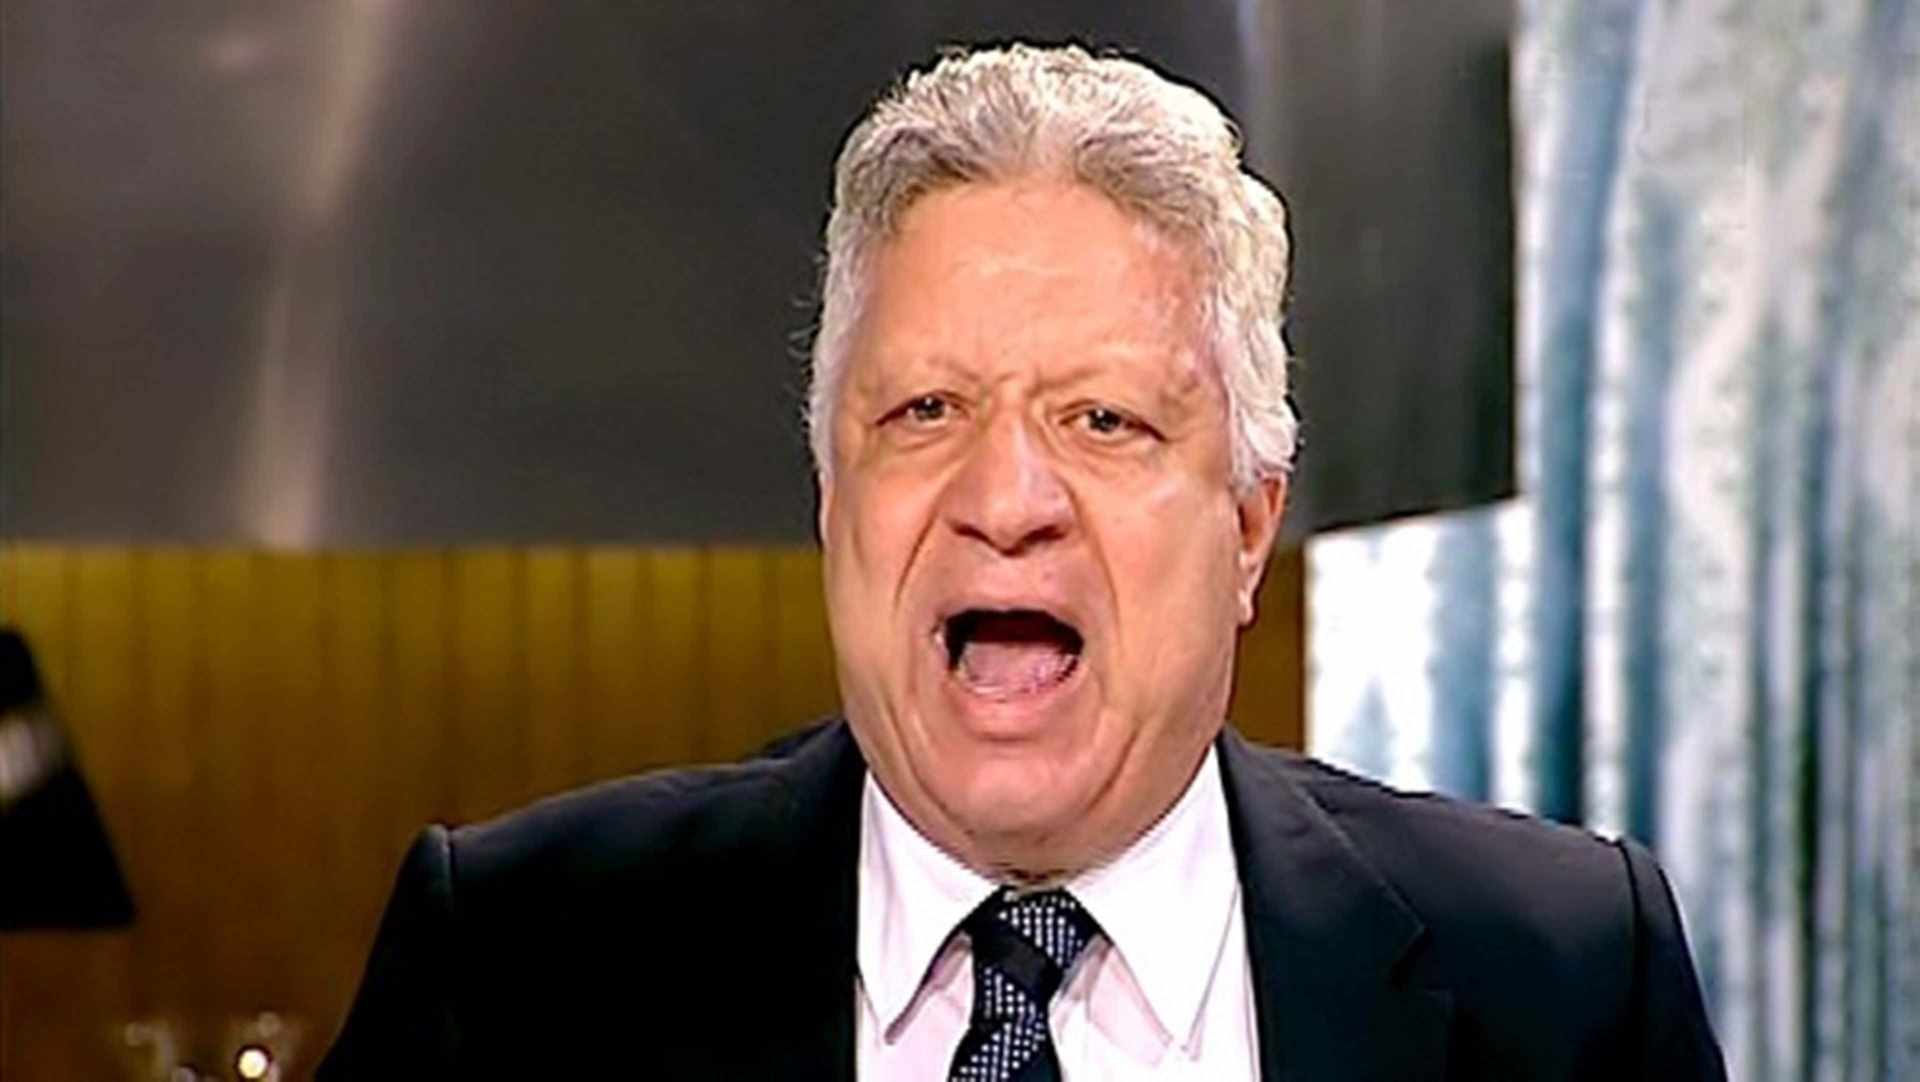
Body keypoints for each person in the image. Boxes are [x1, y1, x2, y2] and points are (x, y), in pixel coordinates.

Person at [319, 44, 1726, 1080]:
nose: (1006, 500)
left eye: (1104, 421)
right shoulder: (509, 964)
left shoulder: (1565, 980)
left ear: (1248, 525)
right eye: (925, 412)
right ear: (832, 500)